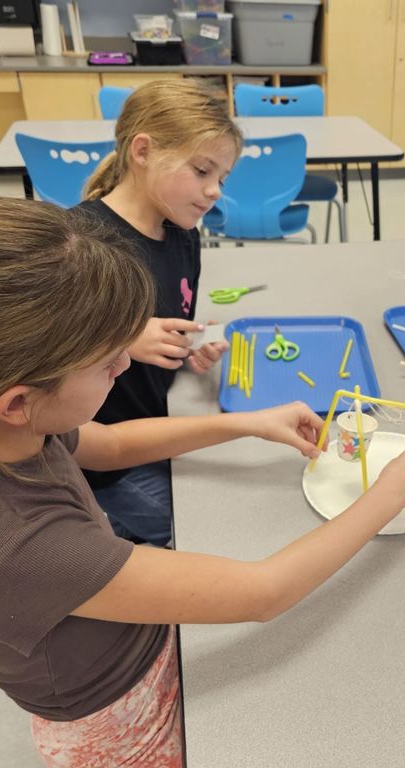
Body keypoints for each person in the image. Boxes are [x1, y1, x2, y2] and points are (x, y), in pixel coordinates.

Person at [0, 196, 405, 767]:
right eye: (108, 363)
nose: (124, 368)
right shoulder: (22, 544)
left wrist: (247, 423)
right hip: (119, 719)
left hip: (122, 638)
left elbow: (109, 445)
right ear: (18, 401)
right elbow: (264, 593)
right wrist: (388, 495)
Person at [77, 79, 241, 546]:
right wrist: (121, 339)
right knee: (200, 531)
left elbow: (170, 312)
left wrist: (189, 346)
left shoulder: (182, 229)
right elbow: (35, 360)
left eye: (221, 179)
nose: (213, 192)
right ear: (143, 150)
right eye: (202, 170)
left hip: (162, 421)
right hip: (111, 458)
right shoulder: (81, 245)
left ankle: (127, 540)